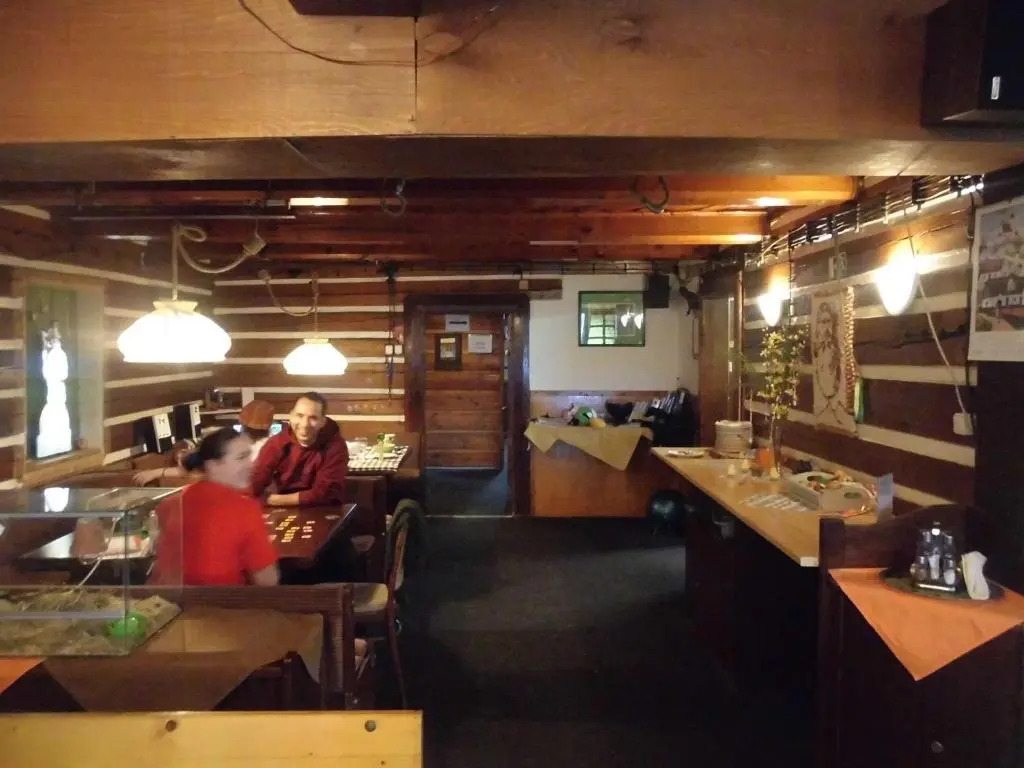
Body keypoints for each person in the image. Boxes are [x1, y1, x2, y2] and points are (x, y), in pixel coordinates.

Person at [150, 426, 279, 586]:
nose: (251, 464)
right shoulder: (246, 509)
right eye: (241, 457)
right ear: (213, 465)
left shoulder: (168, 504)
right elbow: (267, 581)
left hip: (166, 599)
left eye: (249, 456)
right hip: (220, 600)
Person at [133, 399, 276, 486]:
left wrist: (157, 472)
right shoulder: (274, 445)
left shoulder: (229, 442)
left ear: (241, 421)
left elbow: (190, 466)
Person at [251, 391, 348, 507]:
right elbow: (255, 480)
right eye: (299, 416)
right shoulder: (277, 443)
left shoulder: (335, 446)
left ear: (323, 422)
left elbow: (324, 493)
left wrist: (273, 500)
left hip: (324, 509)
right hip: (282, 509)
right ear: (291, 416)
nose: (304, 424)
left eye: (313, 418)